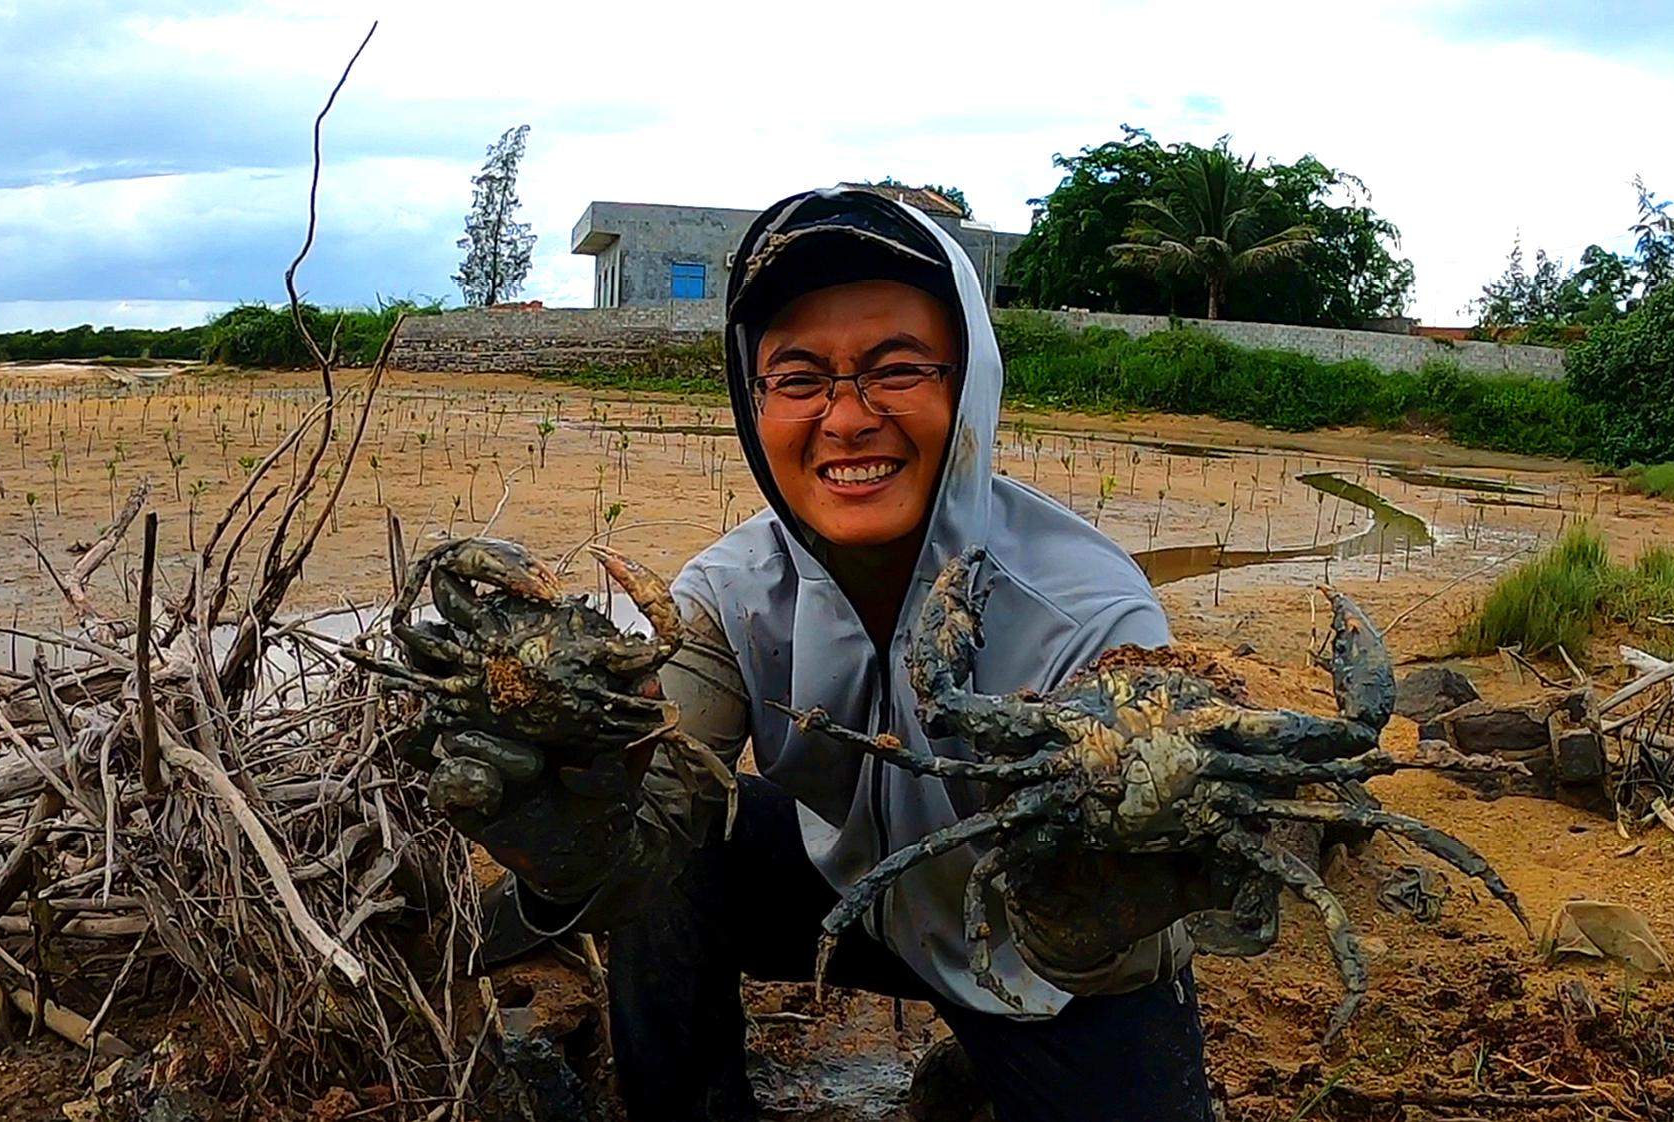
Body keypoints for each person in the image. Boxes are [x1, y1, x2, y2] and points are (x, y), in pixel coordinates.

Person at [446, 187, 1218, 1121]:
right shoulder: (733, 592)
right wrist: (574, 838)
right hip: (846, 887)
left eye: (897, 370)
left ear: (968, 380)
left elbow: (1163, 869)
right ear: (752, 396)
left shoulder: (1089, 615)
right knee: (675, 839)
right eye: (800, 377)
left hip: (1040, 953)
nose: (845, 419)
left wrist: (1104, 927)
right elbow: (652, 775)